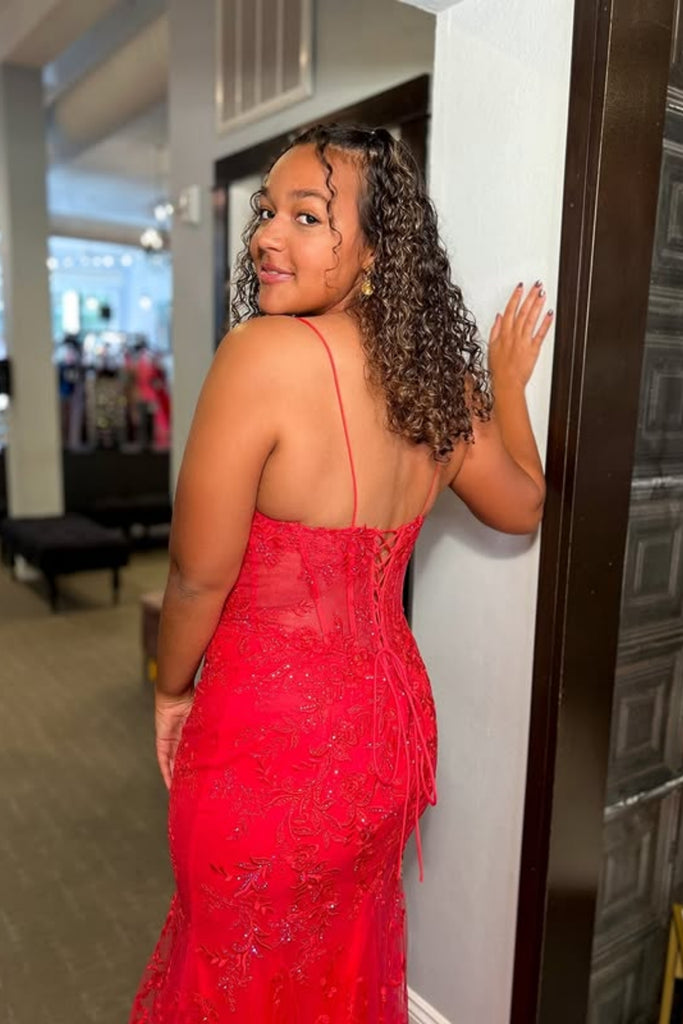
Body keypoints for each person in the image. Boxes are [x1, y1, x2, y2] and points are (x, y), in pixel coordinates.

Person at [129, 124, 552, 1023]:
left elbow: (197, 577)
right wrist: (506, 389)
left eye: (307, 216)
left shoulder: (260, 355)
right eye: (267, 212)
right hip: (384, 740)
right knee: (335, 961)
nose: (265, 236)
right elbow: (523, 505)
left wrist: (169, 690)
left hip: (267, 737)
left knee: (236, 966)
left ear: (374, 250)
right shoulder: (437, 383)